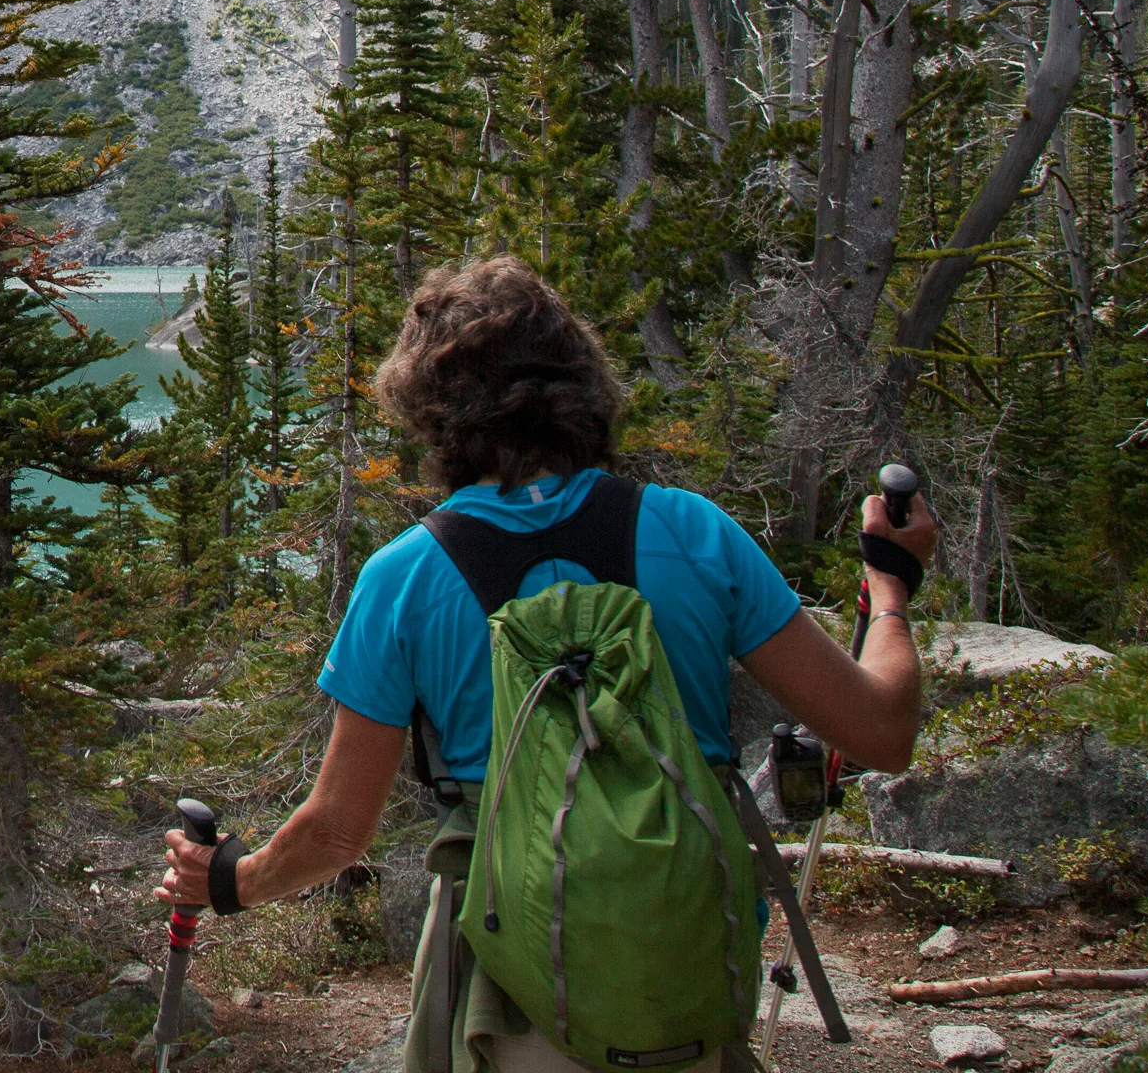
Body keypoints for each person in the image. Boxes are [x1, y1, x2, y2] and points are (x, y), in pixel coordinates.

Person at [157, 256, 939, 1073]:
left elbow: (338, 831)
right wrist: (889, 587)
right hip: (684, 970)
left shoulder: (405, 576)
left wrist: (231, 881)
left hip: (510, 986)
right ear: (583, 384)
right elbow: (882, 731)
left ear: (430, 411)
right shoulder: (694, 533)